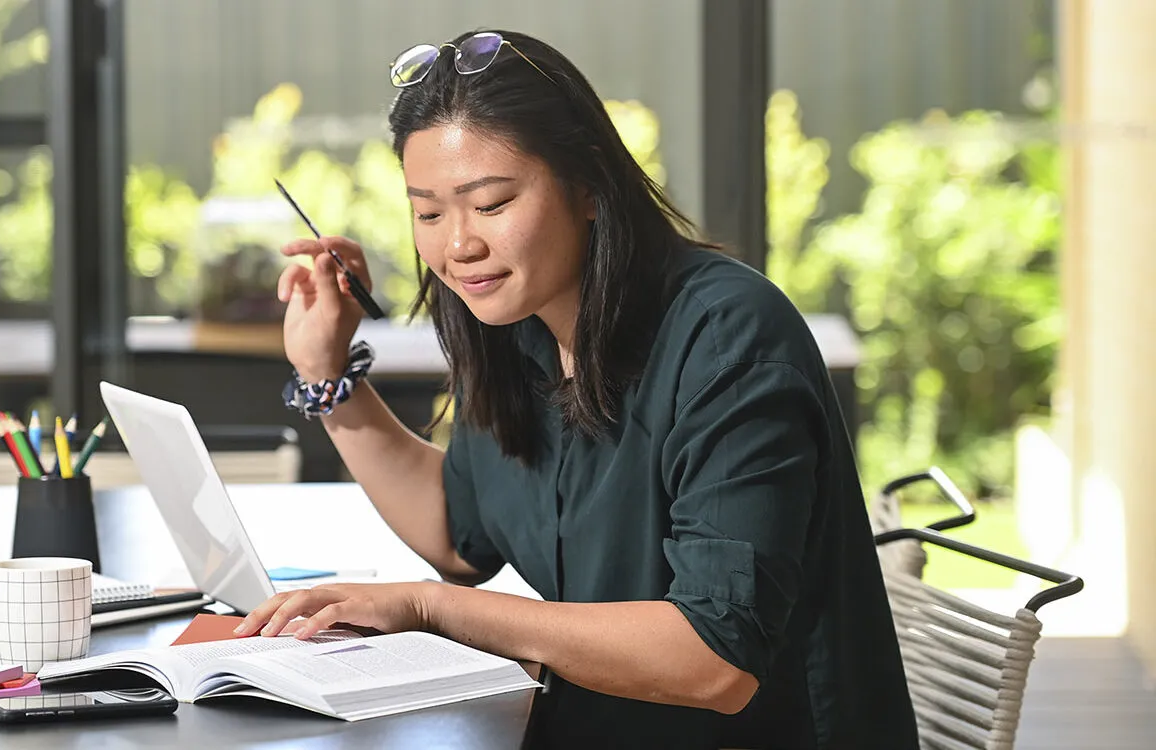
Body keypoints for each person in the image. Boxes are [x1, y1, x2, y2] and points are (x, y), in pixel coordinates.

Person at [235, 29, 918, 748]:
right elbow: (458, 533)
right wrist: (325, 372)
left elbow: (715, 659)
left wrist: (429, 609)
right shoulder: (514, 322)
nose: (457, 245)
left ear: (589, 186)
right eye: (429, 212)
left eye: (491, 204)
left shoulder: (726, 338)